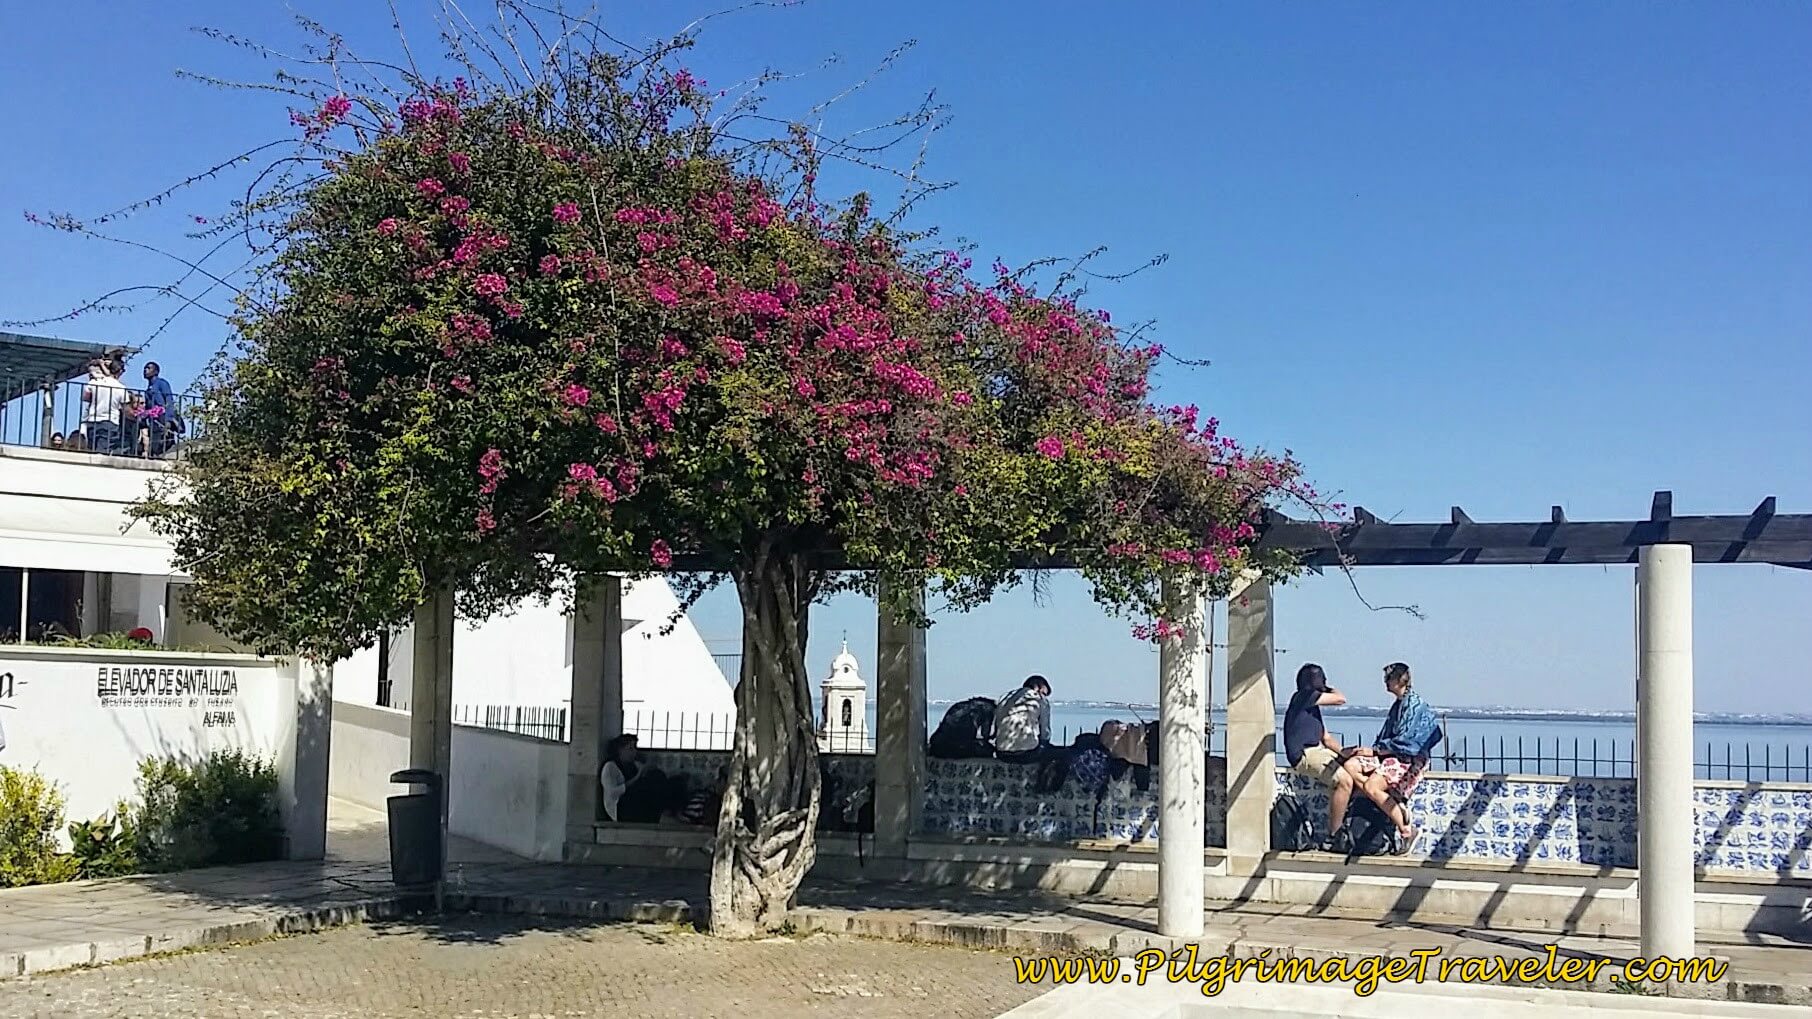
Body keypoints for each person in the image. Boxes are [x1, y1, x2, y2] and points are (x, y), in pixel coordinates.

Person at [1344, 663, 1439, 853]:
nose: (1385, 683)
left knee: (1372, 786)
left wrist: (1377, 751)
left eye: (1388, 679)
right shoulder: (1399, 704)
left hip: (1406, 759)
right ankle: (1392, 803)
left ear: (1398, 681)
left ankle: (1406, 830)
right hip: (1390, 754)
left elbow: (1406, 742)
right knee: (1351, 765)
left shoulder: (1414, 706)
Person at [1281, 663, 1357, 846]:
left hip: (1317, 750)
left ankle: (1352, 825)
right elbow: (1340, 699)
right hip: (1305, 753)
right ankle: (1334, 835)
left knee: (1356, 772)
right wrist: (1327, 687)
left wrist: (1345, 754)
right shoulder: (1303, 697)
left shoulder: (1311, 707)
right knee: (1344, 781)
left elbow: (1327, 738)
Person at [598, 733, 670, 823]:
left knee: (657, 776)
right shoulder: (610, 767)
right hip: (620, 808)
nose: (634, 752)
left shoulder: (634, 765)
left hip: (637, 804)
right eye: (630, 749)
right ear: (620, 750)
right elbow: (612, 793)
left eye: (635, 748)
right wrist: (638, 776)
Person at [992, 675, 1058, 762]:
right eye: (1045, 693)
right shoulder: (1040, 699)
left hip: (1001, 753)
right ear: (1040, 688)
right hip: (1026, 754)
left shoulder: (1005, 698)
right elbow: (1045, 731)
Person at [79, 359, 127, 453]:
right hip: (111, 421)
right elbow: (124, 406)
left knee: (92, 448)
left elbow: (85, 397)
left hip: (93, 419)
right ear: (120, 371)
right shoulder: (121, 388)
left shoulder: (94, 383)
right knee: (103, 450)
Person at [140, 361, 177, 455]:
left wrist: (168, 420)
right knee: (154, 443)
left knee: (163, 443)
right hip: (153, 420)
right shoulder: (149, 387)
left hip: (162, 418)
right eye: (145, 368)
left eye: (149, 368)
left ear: (156, 371)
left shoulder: (162, 383)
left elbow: (169, 401)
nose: (145, 370)